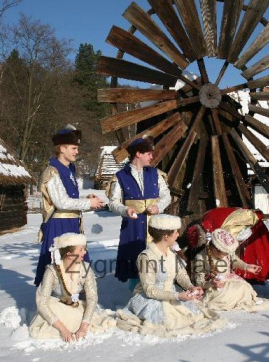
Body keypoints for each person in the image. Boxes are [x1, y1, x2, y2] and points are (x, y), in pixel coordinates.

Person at [116, 214, 226, 337]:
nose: (178, 235)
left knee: (193, 314)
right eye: (175, 232)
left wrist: (191, 287)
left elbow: (181, 274)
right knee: (169, 322)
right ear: (166, 236)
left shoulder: (171, 253)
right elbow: (150, 290)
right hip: (153, 299)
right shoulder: (146, 257)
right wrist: (177, 296)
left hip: (172, 293)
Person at [34, 125, 105, 286]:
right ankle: (57, 302)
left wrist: (87, 198)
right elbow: (62, 202)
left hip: (72, 224)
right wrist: (88, 203)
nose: (77, 151)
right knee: (59, 267)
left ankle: (76, 299)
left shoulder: (69, 170)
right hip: (59, 226)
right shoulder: (52, 171)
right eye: (73, 148)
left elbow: (69, 197)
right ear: (62, 148)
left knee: (77, 266)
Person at [108, 137, 171, 291]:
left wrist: (158, 207)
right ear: (138, 154)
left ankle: (159, 291)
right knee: (135, 256)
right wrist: (125, 210)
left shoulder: (155, 173)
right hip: (133, 225)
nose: (152, 156)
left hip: (154, 224)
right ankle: (137, 294)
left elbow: (166, 195)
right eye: (148, 153)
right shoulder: (121, 176)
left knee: (157, 256)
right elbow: (113, 202)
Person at [29, 233, 115, 341]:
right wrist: (63, 330)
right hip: (58, 310)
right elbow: (42, 302)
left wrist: (83, 327)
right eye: (81, 250)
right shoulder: (52, 271)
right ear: (69, 254)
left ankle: (77, 324)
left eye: (84, 249)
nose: (85, 252)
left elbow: (92, 298)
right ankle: (63, 327)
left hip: (77, 307)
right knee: (52, 306)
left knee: (84, 315)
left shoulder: (85, 268)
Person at [186, 207, 269, 283]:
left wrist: (246, 266)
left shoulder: (220, 235)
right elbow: (200, 280)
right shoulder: (202, 256)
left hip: (240, 224)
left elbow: (233, 258)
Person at [192, 229, 267, 312]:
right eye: (225, 253)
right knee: (224, 295)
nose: (227, 255)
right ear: (216, 249)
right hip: (213, 288)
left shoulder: (227, 252)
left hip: (229, 280)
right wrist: (212, 282)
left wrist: (246, 267)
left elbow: (234, 260)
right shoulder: (200, 258)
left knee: (244, 288)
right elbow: (199, 283)